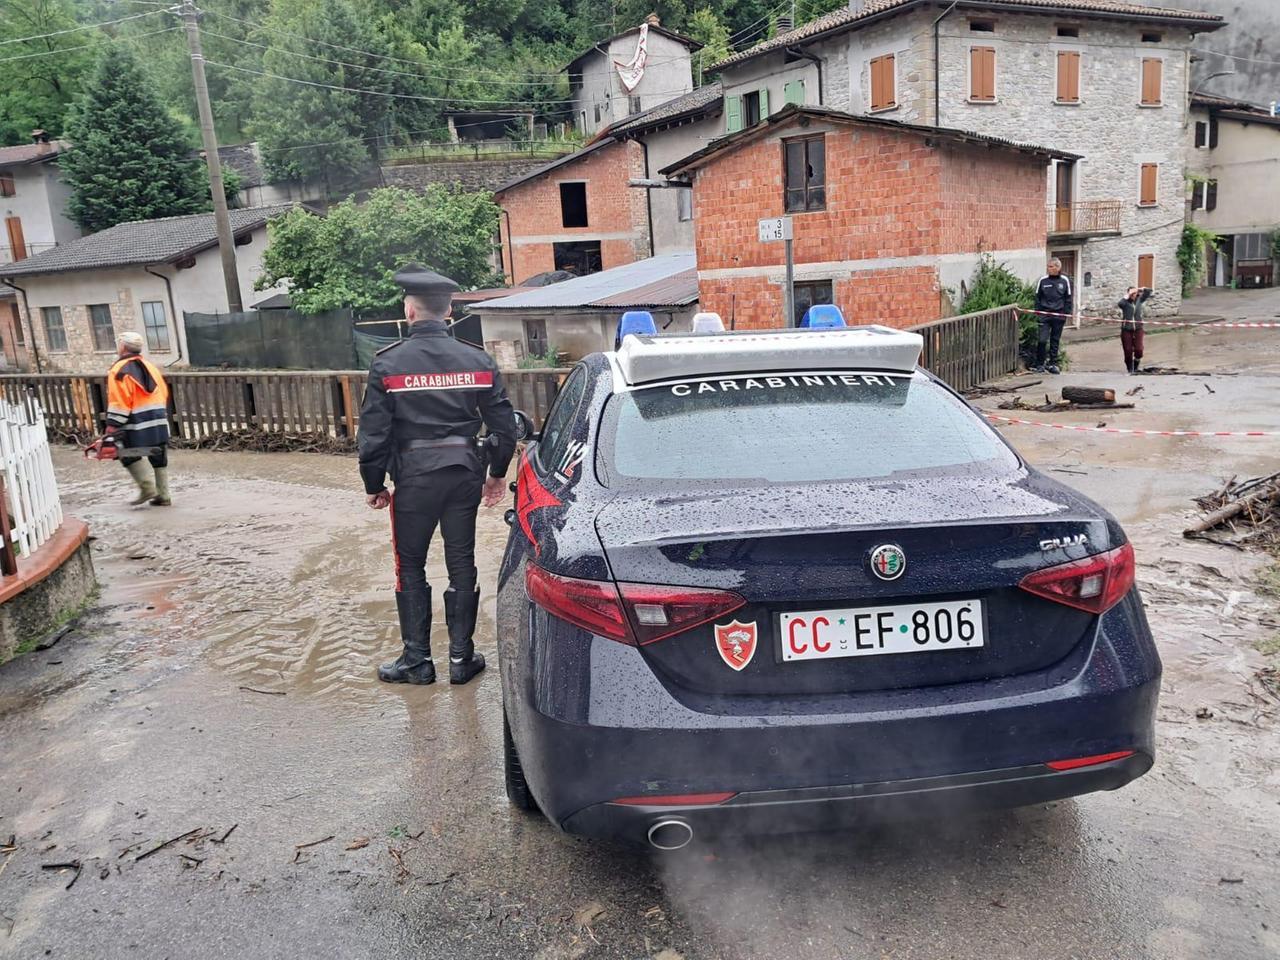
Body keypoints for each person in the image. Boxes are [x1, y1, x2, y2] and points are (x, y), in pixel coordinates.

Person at [358, 265, 517, 686]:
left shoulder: (387, 364)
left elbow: (373, 434)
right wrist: (497, 474)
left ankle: (417, 661)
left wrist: (374, 484)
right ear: (449, 312)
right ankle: (462, 660)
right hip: (464, 474)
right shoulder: (478, 360)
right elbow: (504, 427)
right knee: (461, 562)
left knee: (410, 565)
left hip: (413, 479)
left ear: (409, 311)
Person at [99, 331, 172, 506]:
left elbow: (120, 400)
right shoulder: (150, 366)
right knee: (158, 453)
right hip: (158, 418)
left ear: (123, 346)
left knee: (123, 451)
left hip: (136, 420)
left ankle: (147, 488)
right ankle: (164, 495)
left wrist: (112, 425)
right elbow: (163, 392)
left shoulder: (119, 370)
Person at [1032, 258, 1073, 375]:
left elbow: (1068, 298)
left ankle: (1053, 363)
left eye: (1051, 266)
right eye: (1048, 266)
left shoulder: (1064, 280)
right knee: (1042, 340)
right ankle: (1040, 364)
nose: (1048, 269)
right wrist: (1038, 312)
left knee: (1055, 340)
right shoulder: (1043, 280)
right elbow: (1037, 297)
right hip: (1045, 315)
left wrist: (1066, 313)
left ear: (1058, 267)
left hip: (1058, 315)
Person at [1117, 286, 1152, 374]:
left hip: (1138, 329)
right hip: (1126, 329)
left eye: (1134, 293)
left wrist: (1140, 289)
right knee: (1128, 350)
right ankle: (1130, 368)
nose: (1133, 295)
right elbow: (1120, 304)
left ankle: (1135, 365)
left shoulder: (1140, 300)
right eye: (1131, 294)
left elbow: (1148, 291)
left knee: (1139, 350)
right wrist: (1128, 294)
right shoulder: (1124, 302)